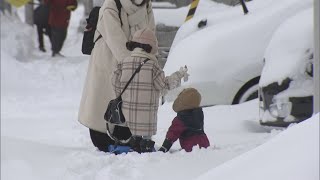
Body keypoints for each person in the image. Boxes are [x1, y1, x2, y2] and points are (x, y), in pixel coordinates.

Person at [78, 0, 156, 152]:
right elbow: (117, 39)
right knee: (106, 98)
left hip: (128, 60)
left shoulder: (145, 4)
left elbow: (151, 36)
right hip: (110, 59)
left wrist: (146, 62)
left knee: (119, 101)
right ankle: (106, 138)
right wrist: (141, 63)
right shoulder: (112, 4)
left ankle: (122, 137)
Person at [112, 27, 189, 153]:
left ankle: (134, 145)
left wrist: (124, 95)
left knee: (134, 135)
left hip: (127, 111)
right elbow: (163, 85)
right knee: (146, 137)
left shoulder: (123, 62)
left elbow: (114, 81)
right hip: (146, 113)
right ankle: (146, 149)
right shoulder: (152, 66)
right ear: (151, 46)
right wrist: (179, 75)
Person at [159, 88, 210, 153]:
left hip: (191, 147)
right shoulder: (199, 114)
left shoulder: (181, 119)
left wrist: (164, 147)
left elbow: (172, 133)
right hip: (205, 144)